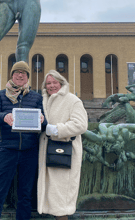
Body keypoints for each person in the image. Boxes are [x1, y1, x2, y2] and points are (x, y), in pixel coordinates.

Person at [0, 61, 47, 220]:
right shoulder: (0, 95)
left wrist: (42, 119)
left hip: (29, 151)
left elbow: (46, 122)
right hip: (7, 150)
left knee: (25, 195)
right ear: (12, 75)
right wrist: (4, 116)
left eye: (24, 73)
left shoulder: (36, 97)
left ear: (27, 77)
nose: (20, 75)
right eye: (17, 72)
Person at [37, 70, 88, 220]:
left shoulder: (72, 100)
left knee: (61, 200)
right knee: (52, 197)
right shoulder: (43, 100)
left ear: (61, 82)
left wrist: (57, 129)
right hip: (47, 153)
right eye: (48, 83)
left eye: (54, 82)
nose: (52, 86)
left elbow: (81, 125)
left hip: (65, 153)